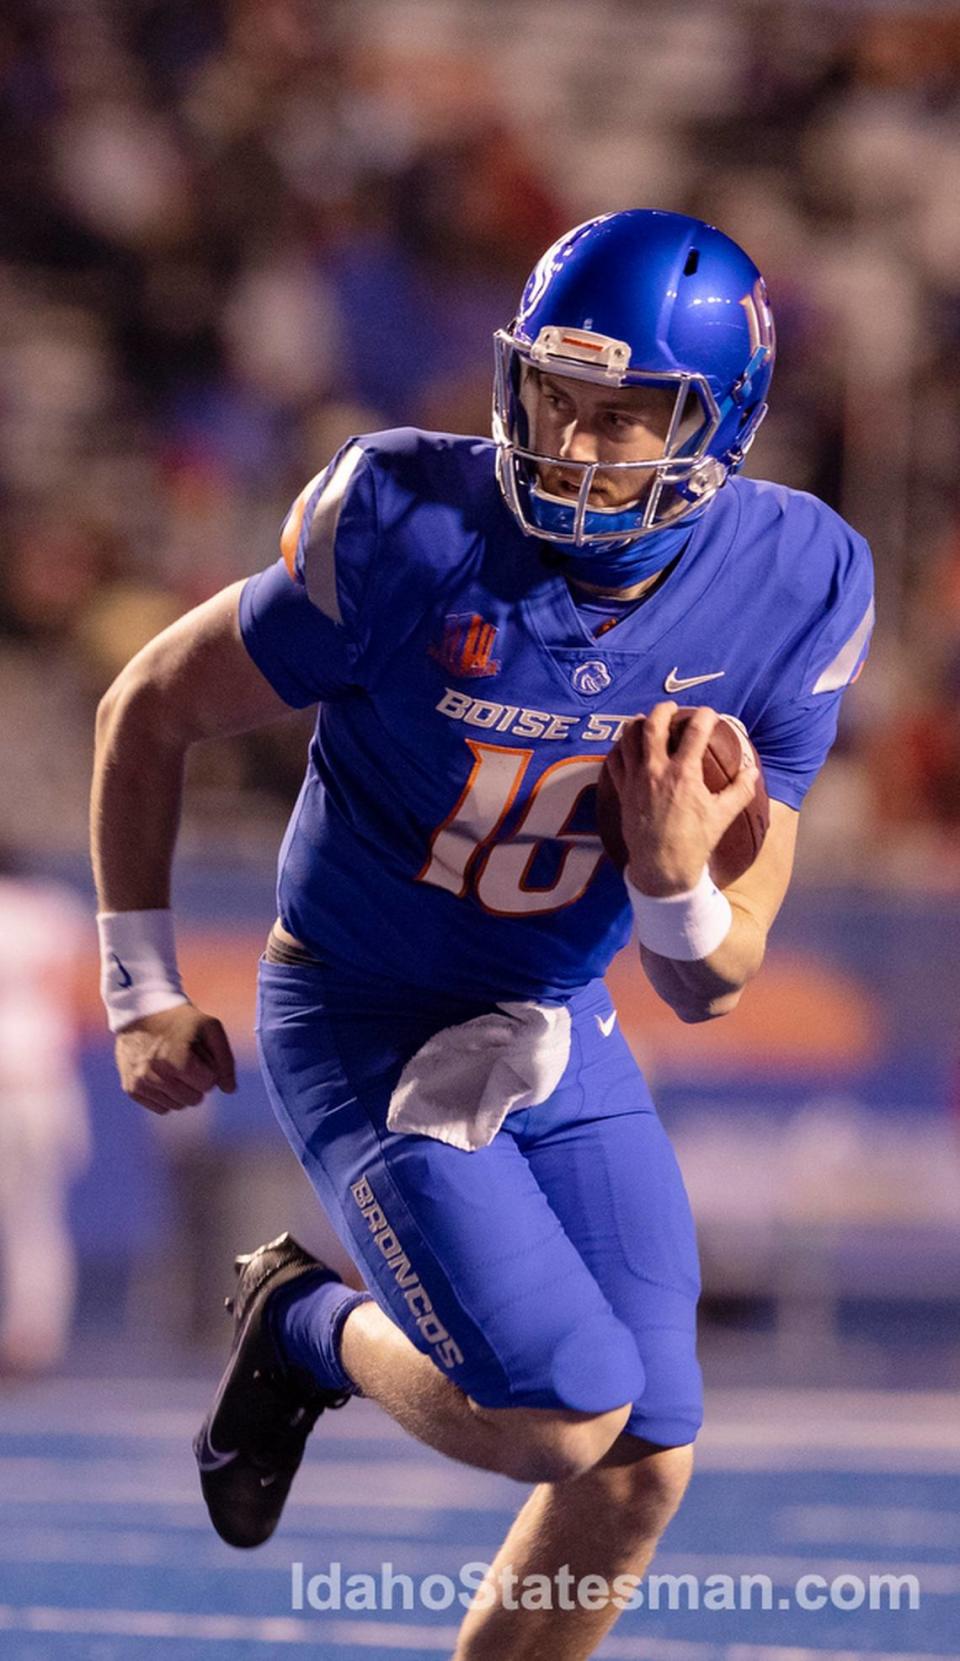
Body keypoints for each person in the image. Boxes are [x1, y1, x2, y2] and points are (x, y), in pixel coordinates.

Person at [91, 210, 874, 1660]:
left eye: (626, 415)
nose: (573, 443)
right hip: (361, 1008)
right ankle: (304, 1324)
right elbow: (148, 703)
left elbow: (714, 977)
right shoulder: (408, 526)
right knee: (563, 1414)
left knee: (644, 1463)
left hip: (558, 1008)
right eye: (554, 396)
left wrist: (671, 880)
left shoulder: (796, 583)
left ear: (720, 425)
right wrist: (141, 984)